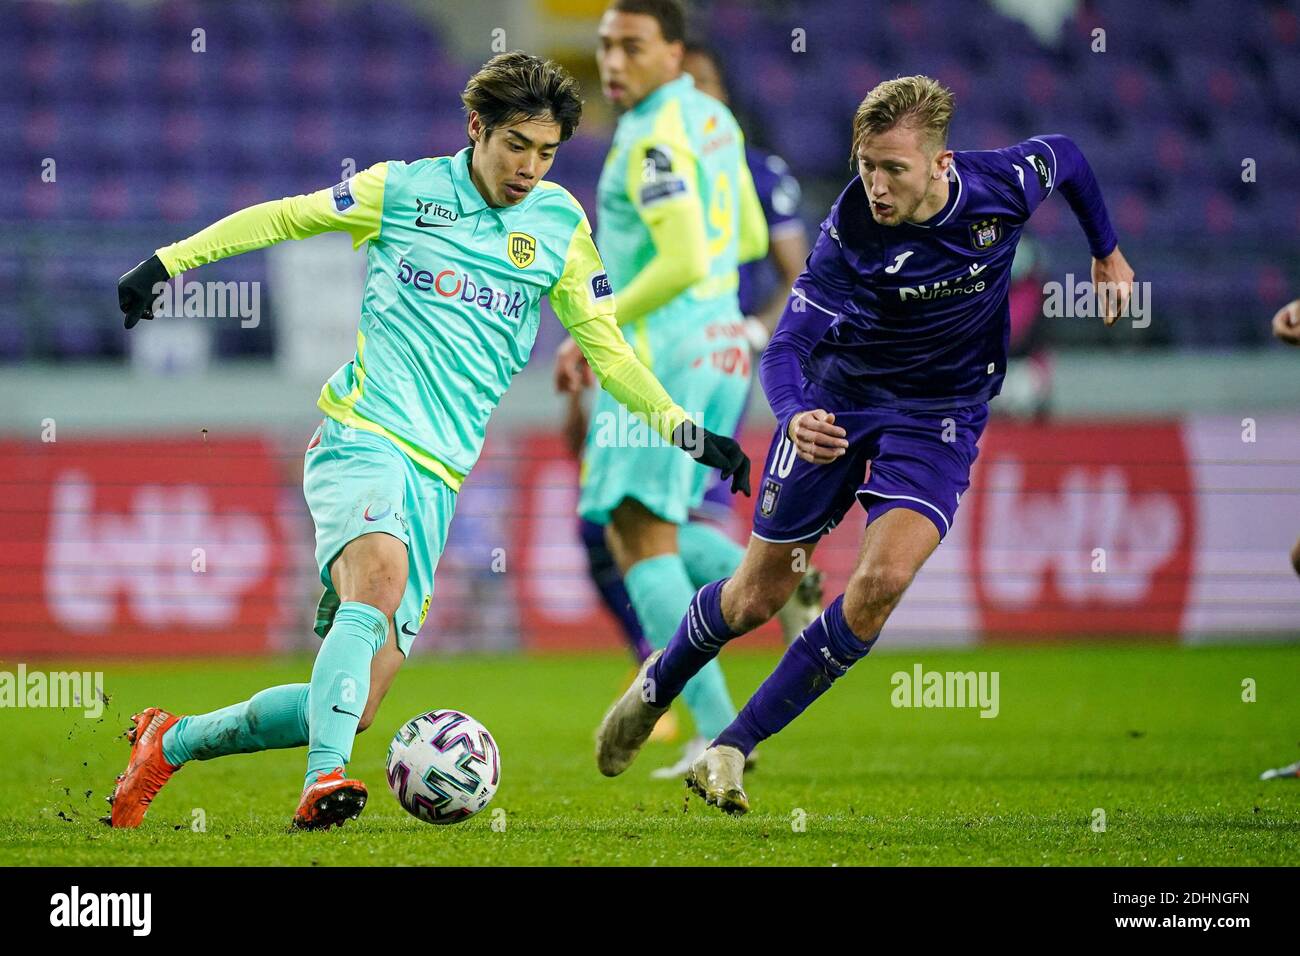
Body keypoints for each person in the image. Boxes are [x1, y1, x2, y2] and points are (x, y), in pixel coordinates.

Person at [107, 51, 749, 830]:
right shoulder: (402, 191)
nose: (529, 167)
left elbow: (608, 351)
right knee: (375, 587)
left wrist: (685, 430)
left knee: (354, 701)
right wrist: (170, 262)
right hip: (364, 434)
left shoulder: (559, 225)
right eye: (517, 144)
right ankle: (323, 781)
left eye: (547, 152)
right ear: (476, 127)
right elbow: (286, 215)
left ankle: (170, 742)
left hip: (440, 477)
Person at [596, 74, 1136, 812]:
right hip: (839, 404)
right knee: (758, 596)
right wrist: (791, 414)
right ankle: (655, 686)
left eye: (893, 169)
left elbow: (1067, 155)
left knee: (879, 587)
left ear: (941, 165)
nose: (876, 185)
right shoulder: (852, 229)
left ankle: (731, 745)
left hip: (940, 413)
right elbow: (786, 346)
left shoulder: (1002, 184)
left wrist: (1106, 252)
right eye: (866, 166)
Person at [553, 0, 772, 779]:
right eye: (607, 46)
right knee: (672, 521)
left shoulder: (650, 136)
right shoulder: (713, 119)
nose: (614, 62)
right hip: (723, 342)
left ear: (674, 53)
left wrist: (595, 327)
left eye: (633, 47)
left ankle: (714, 736)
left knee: (636, 532)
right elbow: (744, 236)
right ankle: (776, 569)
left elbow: (678, 258)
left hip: (664, 353)